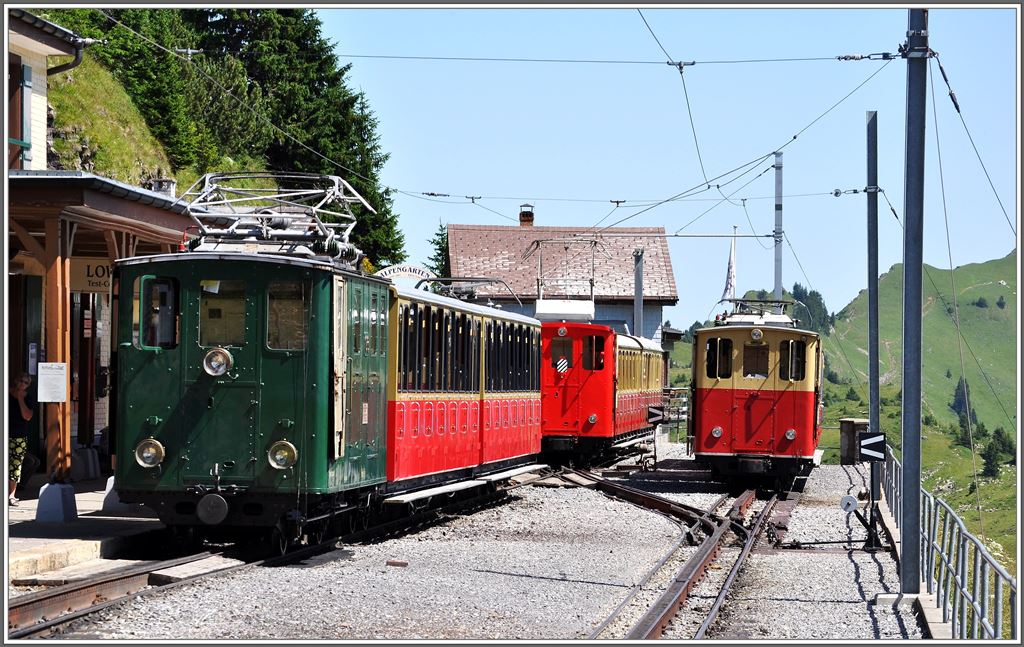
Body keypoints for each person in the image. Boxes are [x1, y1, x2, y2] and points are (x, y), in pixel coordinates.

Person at [9, 372, 35, 506]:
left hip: (19, 436)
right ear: (15, 380)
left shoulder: (28, 398)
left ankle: (11, 495)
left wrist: (20, 398)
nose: (22, 384)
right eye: (21, 381)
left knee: (15, 465)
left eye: (26, 383)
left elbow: (27, 416)